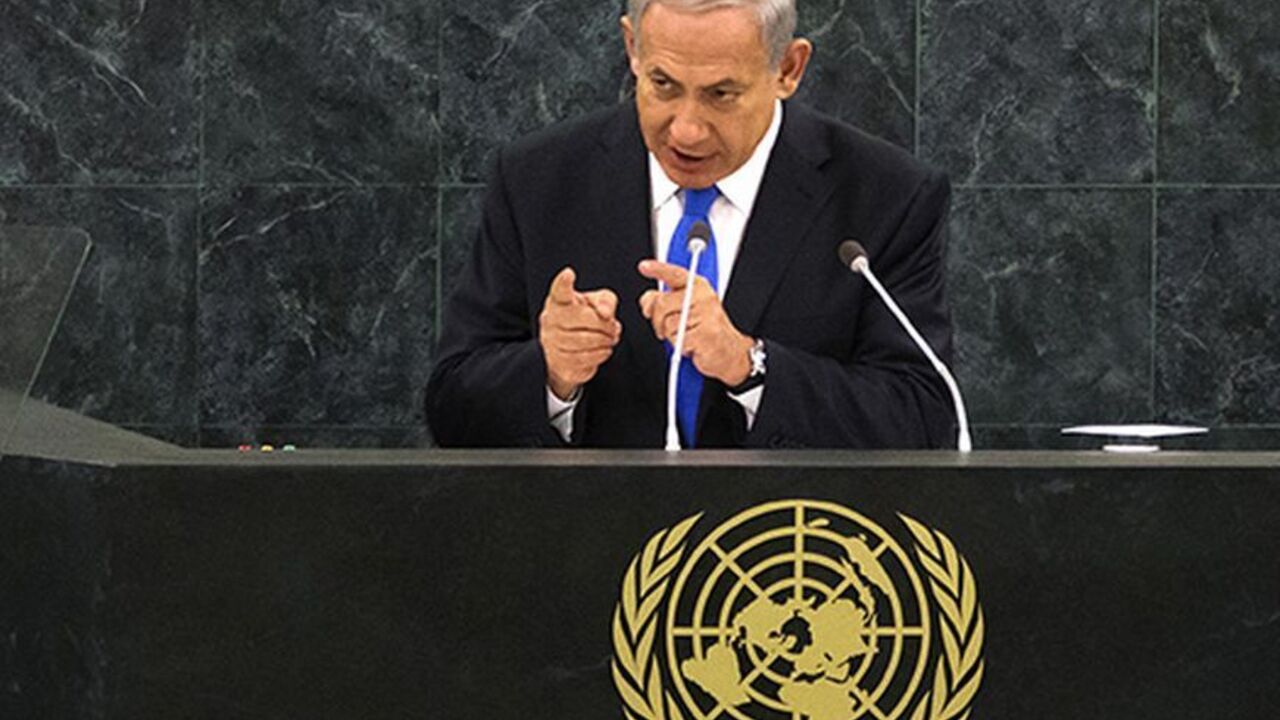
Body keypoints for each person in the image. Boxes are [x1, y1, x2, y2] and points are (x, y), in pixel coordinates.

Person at [425, 0, 957, 449]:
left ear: (788, 70)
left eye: (720, 94)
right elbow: (451, 407)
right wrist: (552, 373)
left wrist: (749, 366)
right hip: (584, 552)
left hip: (792, 555)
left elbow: (924, 418)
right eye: (663, 84)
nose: (686, 129)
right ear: (632, 48)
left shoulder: (885, 195)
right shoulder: (539, 180)